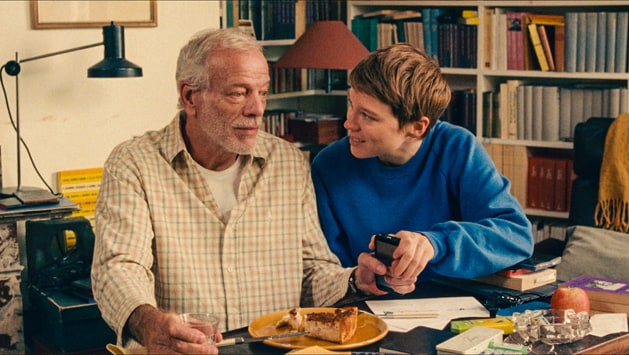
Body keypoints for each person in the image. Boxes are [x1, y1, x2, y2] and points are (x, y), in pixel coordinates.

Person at [91, 28, 405, 355]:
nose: (257, 109)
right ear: (189, 97)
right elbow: (119, 267)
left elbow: (313, 271)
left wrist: (356, 278)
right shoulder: (133, 164)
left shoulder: (287, 162)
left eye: (263, 93)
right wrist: (150, 323)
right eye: (239, 93)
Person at [311, 43, 534, 289]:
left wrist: (434, 243)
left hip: (453, 303)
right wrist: (357, 277)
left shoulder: (457, 148)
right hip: (366, 307)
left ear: (417, 127)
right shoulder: (328, 165)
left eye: (368, 116)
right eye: (351, 104)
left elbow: (516, 237)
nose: (349, 123)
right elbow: (324, 269)